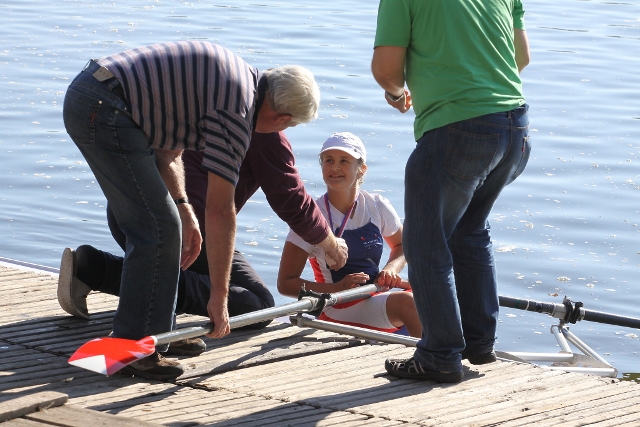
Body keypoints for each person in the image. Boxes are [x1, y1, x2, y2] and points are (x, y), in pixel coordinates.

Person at [61, 40, 341, 380]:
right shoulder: (237, 114)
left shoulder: (237, 80)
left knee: (168, 227)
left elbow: (168, 152)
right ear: (281, 118)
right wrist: (218, 297)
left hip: (99, 92)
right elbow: (220, 210)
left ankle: (157, 332)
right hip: (104, 105)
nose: (283, 132)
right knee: (160, 230)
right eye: (287, 127)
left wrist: (183, 207)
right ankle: (133, 348)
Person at [58, 130, 347, 352]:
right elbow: (291, 199)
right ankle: (101, 272)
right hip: (181, 229)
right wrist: (331, 244)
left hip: (128, 209)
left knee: (250, 297)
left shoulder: (213, 102)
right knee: (257, 307)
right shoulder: (266, 132)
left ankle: (97, 268)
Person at [371, 1, 531, 383]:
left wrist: (396, 93)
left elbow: (387, 70)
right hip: (514, 129)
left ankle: (440, 354)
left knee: (425, 243)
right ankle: (479, 341)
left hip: (457, 128)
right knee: (469, 230)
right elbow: (521, 58)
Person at [277, 132, 421, 337]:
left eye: (344, 161)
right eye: (329, 160)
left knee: (432, 293)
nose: (335, 167)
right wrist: (337, 288)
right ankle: (430, 354)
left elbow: (402, 246)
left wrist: (390, 269)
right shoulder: (310, 217)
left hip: (372, 294)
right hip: (336, 306)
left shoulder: (376, 205)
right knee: (408, 303)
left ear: (361, 169)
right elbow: (285, 283)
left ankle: (432, 348)